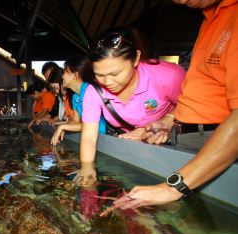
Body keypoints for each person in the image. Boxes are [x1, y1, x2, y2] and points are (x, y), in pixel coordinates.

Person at [111, 0, 238, 210]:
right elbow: (206, 90)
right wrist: (168, 121)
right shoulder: (209, 18)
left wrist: (170, 189)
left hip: (217, 144)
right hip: (187, 139)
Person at [77, 26, 186, 185]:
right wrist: (87, 169)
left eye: (115, 74)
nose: (108, 82)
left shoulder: (168, 75)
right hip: (131, 149)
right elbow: (88, 138)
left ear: (136, 58)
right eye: (99, 75)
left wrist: (166, 122)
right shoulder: (93, 91)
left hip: (169, 146)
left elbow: (192, 103)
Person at [51, 55, 107, 145]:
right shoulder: (75, 97)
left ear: (76, 75)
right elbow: (75, 121)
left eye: (65, 71)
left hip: (105, 140)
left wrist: (62, 127)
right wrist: (65, 126)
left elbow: (90, 125)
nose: (62, 76)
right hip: (93, 139)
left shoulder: (89, 92)